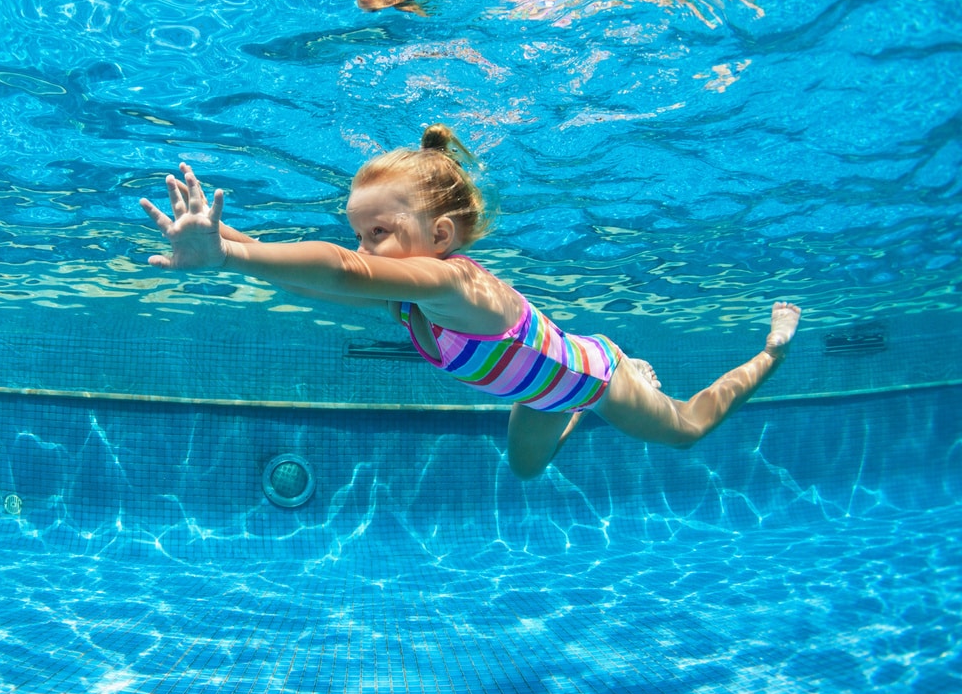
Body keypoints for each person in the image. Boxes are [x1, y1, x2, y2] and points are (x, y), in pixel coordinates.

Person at [140, 125, 801, 479]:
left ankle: (768, 350)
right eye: (358, 232)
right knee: (524, 470)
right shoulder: (403, 291)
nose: (365, 247)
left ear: (441, 236)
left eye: (380, 233)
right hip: (542, 393)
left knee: (685, 431)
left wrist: (234, 256)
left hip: (593, 379)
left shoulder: (454, 285)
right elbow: (323, 279)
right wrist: (220, 238)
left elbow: (338, 272)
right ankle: (577, 399)